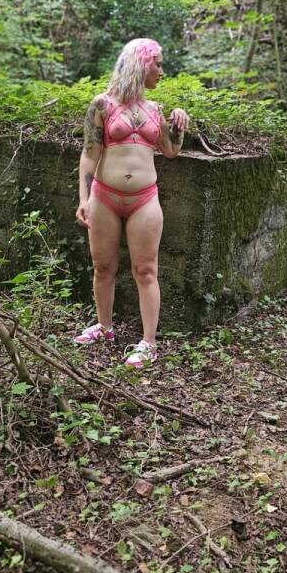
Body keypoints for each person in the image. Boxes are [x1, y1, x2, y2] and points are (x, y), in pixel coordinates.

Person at [74, 38, 190, 367]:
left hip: (144, 199)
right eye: (158, 64)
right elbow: (89, 154)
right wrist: (83, 198)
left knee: (146, 270)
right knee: (103, 267)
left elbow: (171, 150)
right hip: (104, 196)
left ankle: (149, 343)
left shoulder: (155, 110)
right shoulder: (102, 105)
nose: (162, 71)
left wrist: (179, 123)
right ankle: (104, 327)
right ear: (141, 64)